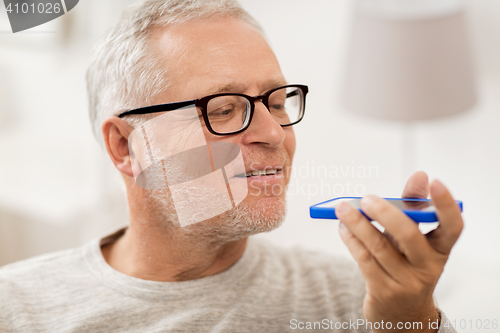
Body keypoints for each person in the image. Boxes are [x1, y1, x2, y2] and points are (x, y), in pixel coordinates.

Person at [0, 0, 463, 332]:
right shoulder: (16, 308)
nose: (274, 132)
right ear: (125, 146)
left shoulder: (361, 299)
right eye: (222, 109)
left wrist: (409, 322)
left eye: (278, 102)